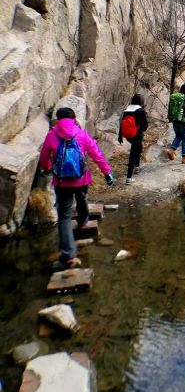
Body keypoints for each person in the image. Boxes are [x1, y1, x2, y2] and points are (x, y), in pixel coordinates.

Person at [39, 107, 115, 269]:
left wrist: (46, 168)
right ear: (74, 118)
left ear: (57, 120)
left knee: (65, 217)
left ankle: (68, 255)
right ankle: (82, 221)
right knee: (81, 199)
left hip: (61, 182)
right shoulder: (81, 134)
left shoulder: (51, 135)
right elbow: (96, 153)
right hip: (81, 179)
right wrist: (107, 173)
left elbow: (44, 156)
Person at [118, 93, 148, 184]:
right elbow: (145, 125)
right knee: (133, 153)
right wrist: (141, 130)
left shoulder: (127, 110)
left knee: (139, 147)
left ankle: (137, 166)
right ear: (140, 101)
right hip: (137, 134)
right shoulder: (141, 110)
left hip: (128, 135)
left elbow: (122, 124)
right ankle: (129, 178)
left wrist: (120, 136)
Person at [167, 82, 185, 163]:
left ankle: (171, 150)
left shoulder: (176, 98)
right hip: (183, 121)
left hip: (175, 120)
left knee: (178, 136)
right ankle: (184, 158)